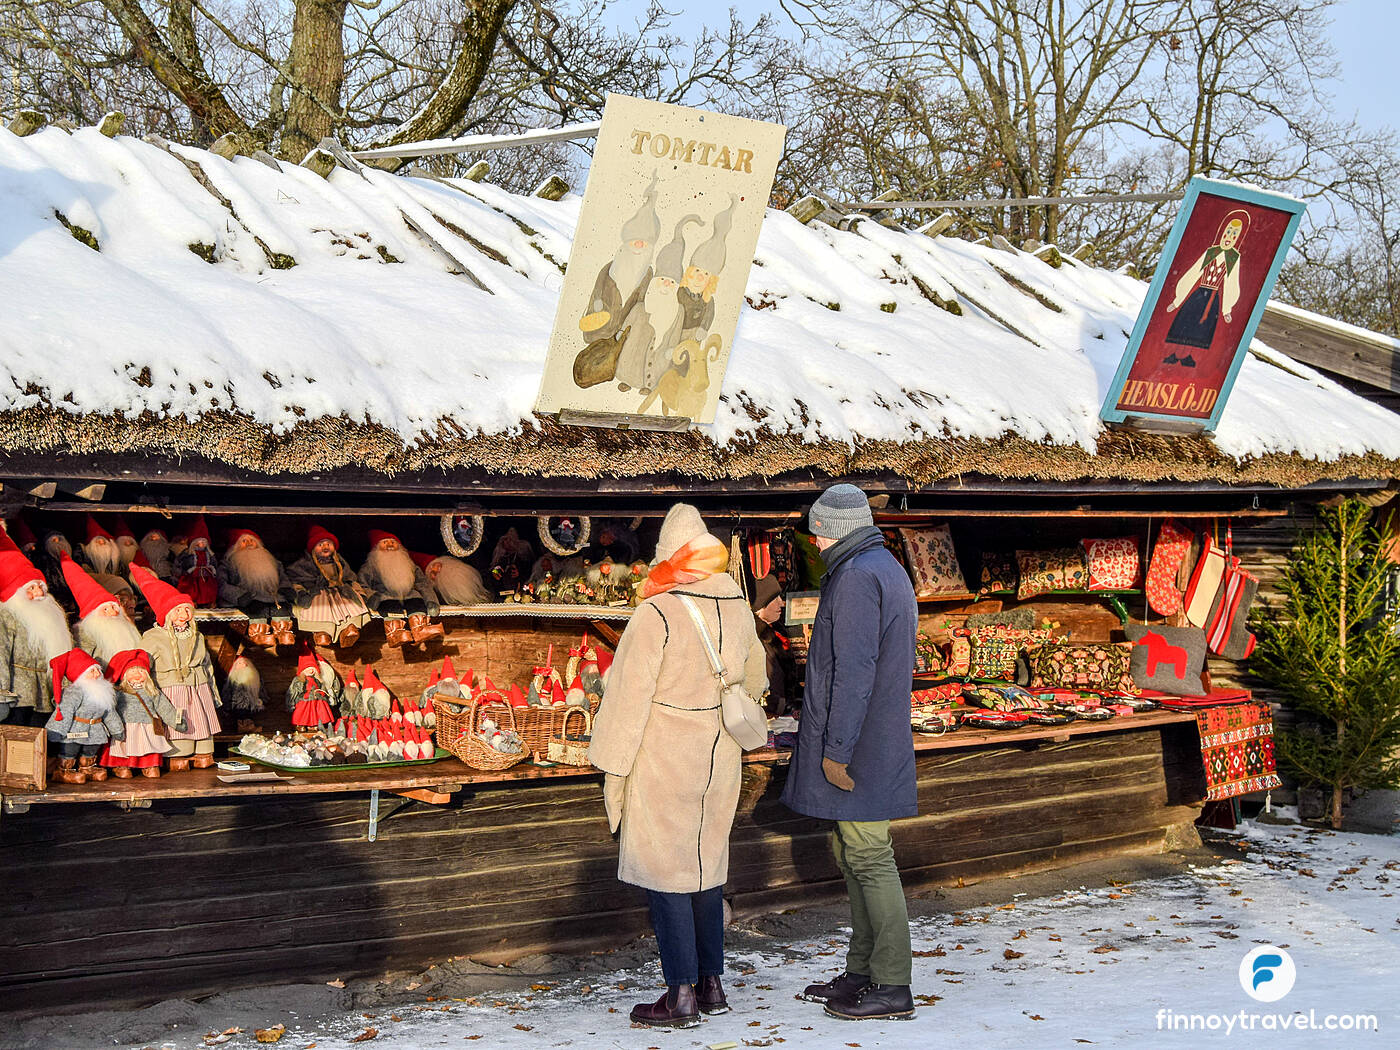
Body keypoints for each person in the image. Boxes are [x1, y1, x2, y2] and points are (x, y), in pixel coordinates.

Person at [590, 503, 766, 1029]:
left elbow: (626, 699)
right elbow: (756, 677)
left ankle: (680, 994)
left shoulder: (657, 613)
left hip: (666, 755)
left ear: (666, 555)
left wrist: (613, 768)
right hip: (720, 754)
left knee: (667, 872)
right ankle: (711, 984)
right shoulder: (737, 604)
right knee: (706, 866)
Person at [780, 483, 918, 1020]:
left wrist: (836, 750)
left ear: (837, 531)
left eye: (818, 531)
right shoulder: (879, 566)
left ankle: (892, 984)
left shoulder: (858, 576)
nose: (813, 541)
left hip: (860, 744)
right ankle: (864, 970)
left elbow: (854, 672)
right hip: (870, 736)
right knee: (852, 853)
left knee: (869, 855)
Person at [750, 574, 795, 717]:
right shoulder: (754, 639)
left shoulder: (777, 632)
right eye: (775, 598)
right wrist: (779, 705)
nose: (781, 603)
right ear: (760, 605)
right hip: (767, 715)